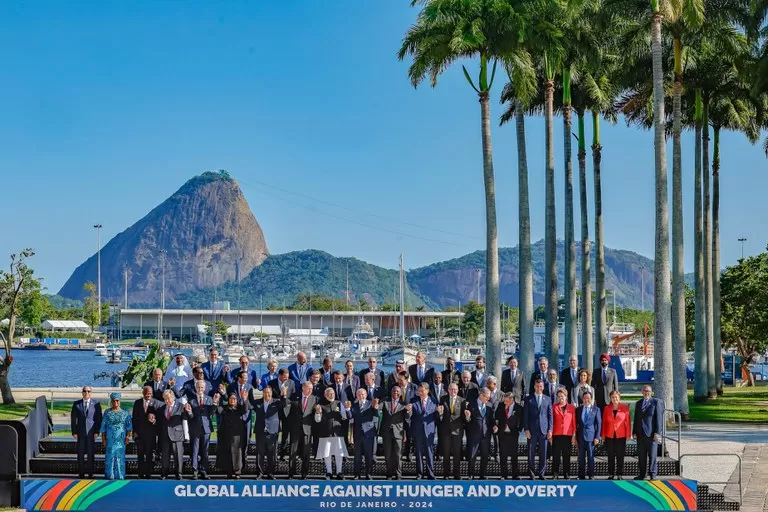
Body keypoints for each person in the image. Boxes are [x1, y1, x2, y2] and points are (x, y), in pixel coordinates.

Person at [251, 384, 288, 479]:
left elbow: (284, 405)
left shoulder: (276, 402)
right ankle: (260, 473)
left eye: (269, 392)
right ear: (263, 393)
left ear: (271, 393)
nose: (267, 394)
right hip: (260, 431)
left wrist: (284, 395)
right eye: (265, 392)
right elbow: (249, 406)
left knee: (272, 453)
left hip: (272, 431)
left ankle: (270, 473)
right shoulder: (258, 402)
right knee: (260, 453)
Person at [314, 387, 350, 480]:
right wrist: (318, 413)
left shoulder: (339, 403)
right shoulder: (320, 405)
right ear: (325, 395)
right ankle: (329, 472)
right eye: (329, 394)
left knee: (339, 453)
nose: (331, 395)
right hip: (325, 433)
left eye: (333, 393)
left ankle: (339, 472)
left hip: (337, 432)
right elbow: (317, 420)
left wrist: (346, 409)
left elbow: (344, 417)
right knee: (327, 454)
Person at [157, 389, 193, 480]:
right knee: (165, 457)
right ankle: (164, 474)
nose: (166, 401)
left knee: (178, 457)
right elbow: (160, 422)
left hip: (177, 436)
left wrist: (189, 412)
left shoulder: (181, 407)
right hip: (165, 436)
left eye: (168, 399)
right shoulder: (161, 408)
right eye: (165, 399)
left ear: (173, 397)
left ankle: (179, 474)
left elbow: (189, 418)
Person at [287, 381, 318, 479]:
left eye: (311, 389)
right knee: (293, 452)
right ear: (303, 388)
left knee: (306, 453)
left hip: (307, 429)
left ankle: (304, 474)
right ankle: (291, 473)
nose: (310, 390)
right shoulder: (295, 396)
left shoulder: (314, 399)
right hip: (295, 429)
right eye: (309, 388)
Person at [524, 379, 552, 480]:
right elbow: (525, 415)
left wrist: (550, 430)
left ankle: (541, 473)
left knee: (543, 453)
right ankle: (531, 473)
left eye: (541, 386)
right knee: (531, 453)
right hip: (531, 430)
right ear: (534, 387)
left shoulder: (548, 399)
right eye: (537, 386)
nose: (539, 388)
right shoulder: (528, 399)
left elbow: (550, 416)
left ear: (543, 387)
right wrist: (526, 429)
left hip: (543, 430)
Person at [131, 386, 163, 479]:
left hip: (151, 434)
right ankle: (140, 474)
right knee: (140, 454)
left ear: (152, 393)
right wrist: (135, 431)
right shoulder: (137, 403)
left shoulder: (156, 403)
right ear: (143, 393)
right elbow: (134, 418)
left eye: (149, 393)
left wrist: (154, 421)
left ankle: (148, 474)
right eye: (146, 393)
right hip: (139, 433)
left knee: (149, 454)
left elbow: (160, 420)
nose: (148, 395)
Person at [71, 386, 102, 478]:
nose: (86, 393)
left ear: (91, 392)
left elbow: (98, 419)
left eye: (88, 391)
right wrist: (74, 432)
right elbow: (73, 419)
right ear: (82, 392)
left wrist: (97, 432)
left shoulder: (96, 404)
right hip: (80, 433)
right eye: (84, 391)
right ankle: (81, 473)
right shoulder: (77, 404)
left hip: (91, 433)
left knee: (90, 453)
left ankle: (90, 473)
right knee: (80, 453)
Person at [99, 393, 132, 480]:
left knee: (120, 457)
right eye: (113, 401)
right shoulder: (107, 412)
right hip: (110, 439)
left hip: (121, 439)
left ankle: (120, 475)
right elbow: (103, 426)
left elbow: (129, 426)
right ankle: (110, 475)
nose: (115, 402)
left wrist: (128, 437)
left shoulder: (125, 412)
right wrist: (103, 439)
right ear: (111, 401)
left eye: (117, 400)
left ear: (120, 401)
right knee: (110, 456)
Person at [633, 385, 663, 480]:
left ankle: (653, 475)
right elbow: (636, 418)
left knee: (652, 455)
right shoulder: (638, 403)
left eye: (648, 391)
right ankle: (642, 474)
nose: (647, 393)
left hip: (651, 434)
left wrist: (657, 432)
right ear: (642, 392)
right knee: (641, 456)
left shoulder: (655, 402)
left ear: (651, 392)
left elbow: (659, 418)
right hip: (640, 434)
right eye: (645, 391)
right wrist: (634, 431)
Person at [217, 392, 250, 479]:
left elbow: (245, 410)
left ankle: (237, 471)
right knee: (227, 453)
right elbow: (217, 410)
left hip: (237, 435)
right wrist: (216, 401)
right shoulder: (224, 408)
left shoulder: (240, 408)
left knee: (237, 453)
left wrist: (245, 399)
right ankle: (229, 472)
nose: (232, 400)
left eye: (234, 399)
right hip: (226, 434)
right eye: (231, 398)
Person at [188, 380, 216, 480]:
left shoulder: (209, 399)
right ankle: (195, 471)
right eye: (198, 387)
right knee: (195, 451)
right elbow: (190, 416)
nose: (200, 389)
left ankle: (203, 470)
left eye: (202, 388)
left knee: (205, 451)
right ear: (196, 388)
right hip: (195, 428)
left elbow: (211, 413)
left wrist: (215, 403)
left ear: (204, 389)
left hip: (206, 428)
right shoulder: (191, 400)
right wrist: (189, 412)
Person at [380, 386, 410, 480]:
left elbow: (407, 419)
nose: (395, 392)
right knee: (388, 454)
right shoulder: (385, 401)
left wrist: (409, 411)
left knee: (398, 455)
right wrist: (375, 405)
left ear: (400, 393)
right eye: (393, 391)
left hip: (399, 432)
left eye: (397, 391)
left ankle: (398, 474)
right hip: (387, 432)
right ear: (391, 392)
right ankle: (389, 473)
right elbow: (377, 408)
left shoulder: (404, 404)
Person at [409, 383, 437, 480]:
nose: (420, 393)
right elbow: (409, 416)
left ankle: (430, 473)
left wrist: (440, 413)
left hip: (429, 431)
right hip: (417, 430)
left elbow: (436, 417)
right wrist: (408, 411)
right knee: (419, 453)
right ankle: (419, 473)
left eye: (422, 391)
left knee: (429, 453)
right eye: (419, 391)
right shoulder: (413, 401)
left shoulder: (433, 401)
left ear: (427, 390)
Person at [349, 388, 379, 480]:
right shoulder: (353, 405)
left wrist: (376, 407)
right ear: (356, 396)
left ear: (366, 395)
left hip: (368, 433)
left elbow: (376, 415)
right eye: (359, 394)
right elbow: (350, 418)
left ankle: (368, 474)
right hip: (357, 433)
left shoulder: (371, 403)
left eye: (363, 394)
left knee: (368, 455)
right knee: (357, 456)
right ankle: (356, 474)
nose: (361, 396)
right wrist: (347, 410)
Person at [438, 383, 465, 480]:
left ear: (458, 390)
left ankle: (457, 474)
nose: (453, 391)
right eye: (451, 389)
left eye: (455, 389)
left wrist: (468, 416)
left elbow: (464, 418)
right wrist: (440, 414)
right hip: (446, 431)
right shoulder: (443, 399)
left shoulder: (462, 401)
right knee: (446, 453)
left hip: (457, 431)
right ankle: (446, 474)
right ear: (448, 390)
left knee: (457, 454)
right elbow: (440, 415)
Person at [465, 387, 494, 479]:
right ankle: (471, 474)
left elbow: (491, 419)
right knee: (472, 455)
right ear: (481, 395)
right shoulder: (471, 404)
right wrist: (468, 418)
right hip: (474, 434)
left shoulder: (489, 405)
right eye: (486, 397)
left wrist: (494, 425)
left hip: (486, 435)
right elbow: (467, 421)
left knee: (485, 455)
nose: (488, 399)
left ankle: (482, 474)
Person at [226, 370, 255, 462]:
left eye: (247, 378)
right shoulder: (231, 386)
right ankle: (235, 460)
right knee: (235, 440)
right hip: (235, 417)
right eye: (244, 378)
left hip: (246, 416)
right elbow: (228, 400)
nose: (246, 379)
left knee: (246, 438)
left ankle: (244, 457)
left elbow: (252, 403)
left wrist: (244, 402)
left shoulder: (249, 387)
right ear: (239, 378)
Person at [602, 390, 631, 480]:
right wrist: (602, 434)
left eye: (616, 397)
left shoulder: (625, 408)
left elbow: (628, 422)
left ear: (619, 398)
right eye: (613, 397)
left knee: (620, 455)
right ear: (610, 398)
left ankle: (619, 474)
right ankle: (611, 474)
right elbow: (604, 422)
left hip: (621, 435)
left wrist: (628, 434)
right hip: (609, 435)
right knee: (610, 455)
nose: (615, 399)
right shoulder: (607, 408)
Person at [495, 392, 523, 480]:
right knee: (503, 455)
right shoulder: (500, 406)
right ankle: (504, 475)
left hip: (513, 434)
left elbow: (522, 420)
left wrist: (518, 429)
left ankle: (515, 474)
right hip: (502, 434)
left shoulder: (518, 408)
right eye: (504, 400)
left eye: (506, 401)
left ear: (512, 400)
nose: (504, 402)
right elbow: (496, 416)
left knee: (514, 455)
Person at [576, 391, 601, 480]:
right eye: (585, 398)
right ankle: (581, 475)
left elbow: (599, 424)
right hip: (580, 437)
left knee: (591, 457)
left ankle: (591, 475)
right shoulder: (578, 409)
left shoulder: (596, 409)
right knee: (581, 457)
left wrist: (597, 437)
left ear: (591, 399)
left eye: (588, 398)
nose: (586, 400)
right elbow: (576, 424)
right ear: (582, 399)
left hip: (591, 437)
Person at [551, 388, 576, 479]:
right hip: (556, 435)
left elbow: (574, 422)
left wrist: (574, 435)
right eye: (559, 396)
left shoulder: (572, 408)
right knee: (556, 455)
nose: (560, 398)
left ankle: (566, 474)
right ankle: (555, 473)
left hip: (567, 435)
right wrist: (550, 435)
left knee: (567, 455)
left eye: (562, 396)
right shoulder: (554, 407)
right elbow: (551, 421)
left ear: (566, 397)